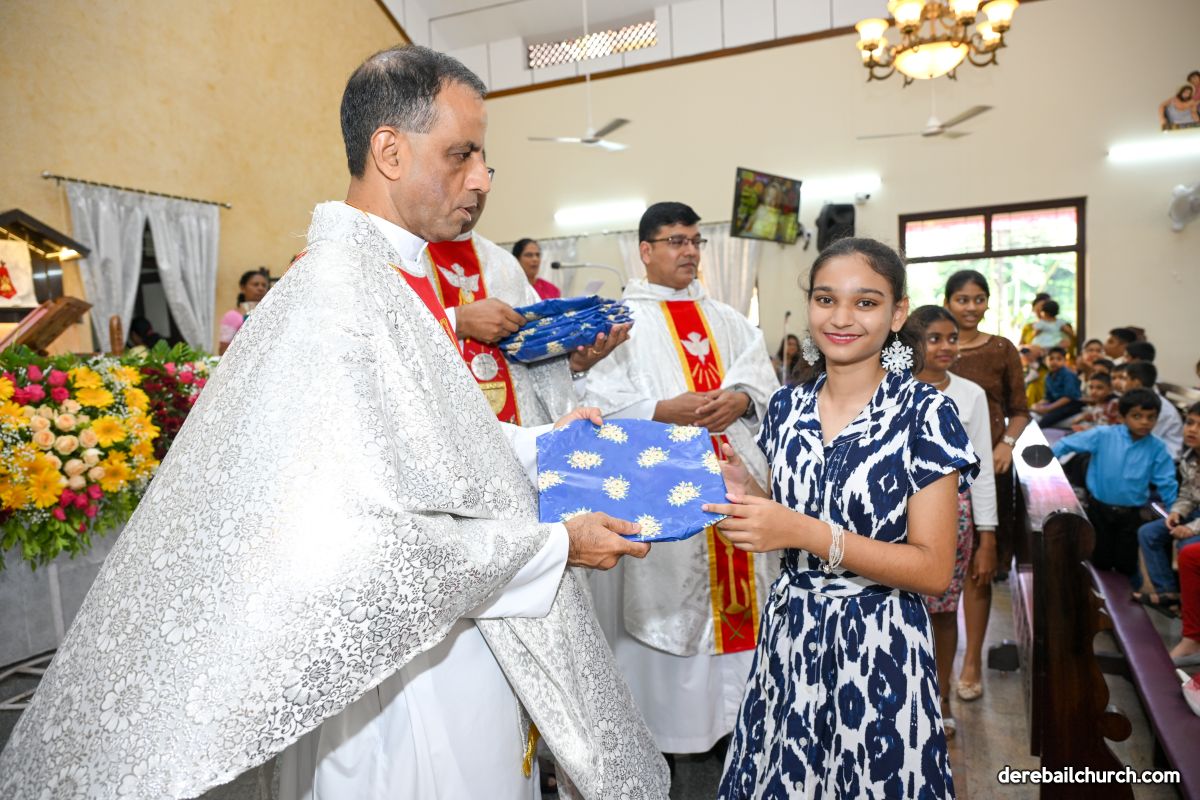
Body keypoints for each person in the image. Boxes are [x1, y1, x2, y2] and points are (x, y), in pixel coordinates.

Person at [0, 45, 670, 800]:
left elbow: (433, 448)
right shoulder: (335, 298)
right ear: (390, 151)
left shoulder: (384, 279)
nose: (483, 178)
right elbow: (355, 540)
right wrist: (556, 545)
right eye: (462, 154)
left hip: (447, 641)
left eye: (483, 158)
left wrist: (548, 443)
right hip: (406, 683)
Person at [710, 238, 977, 798]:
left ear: (897, 313)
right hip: (792, 634)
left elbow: (933, 570)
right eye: (826, 299)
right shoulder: (786, 407)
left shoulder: (925, 414)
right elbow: (796, 510)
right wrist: (747, 490)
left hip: (880, 640)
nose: (841, 318)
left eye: (866, 302)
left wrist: (803, 532)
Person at [583, 201, 780, 758]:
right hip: (665, 486)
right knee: (673, 611)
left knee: (742, 617)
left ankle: (742, 729)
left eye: (695, 241)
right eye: (676, 241)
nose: (689, 251)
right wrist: (661, 409)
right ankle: (674, 741)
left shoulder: (729, 318)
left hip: (732, 479)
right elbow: (593, 401)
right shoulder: (620, 322)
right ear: (645, 251)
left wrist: (740, 399)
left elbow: (761, 382)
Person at [424, 194, 629, 426]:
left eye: (487, 174)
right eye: (460, 164)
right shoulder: (404, 259)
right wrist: (456, 321)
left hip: (521, 433)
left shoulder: (504, 265)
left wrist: (574, 365)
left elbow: (536, 360)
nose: (480, 185)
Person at [906, 305, 997, 740]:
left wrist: (988, 536)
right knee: (901, 612)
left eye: (952, 338)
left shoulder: (970, 394)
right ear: (914, 344)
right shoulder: (894, 389)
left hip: (952, 515)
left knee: (943, 612)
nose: (946, 347)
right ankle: (904, 697)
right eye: (934, 338)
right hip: (897, 513)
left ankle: (940, 698)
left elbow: (982, 470)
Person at [943, 269, 1030, 702]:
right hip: (938, 479)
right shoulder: (932, 349)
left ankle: (972, 660)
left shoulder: (1000, 349)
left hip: (989, 469)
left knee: (980, 567)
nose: (971, 307)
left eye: (979, 299)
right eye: (963, 299)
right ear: (947, 302)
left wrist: (1005, 445)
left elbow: (1020, 409)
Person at [1052, 389, 1178, 577]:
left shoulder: (1157, 447)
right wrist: (1046, 460)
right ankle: (1097, 591)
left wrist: (1174, 510)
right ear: (1122, 417)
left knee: (1125, 563)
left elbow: (1166, 481)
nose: (1145, 422)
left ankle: (1128, 592)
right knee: (1099, 559)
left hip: (1132, 515)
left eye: (1151, 417)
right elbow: (1066, 444)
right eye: (1137, 416)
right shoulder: (1103, 435)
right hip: (1099, 510)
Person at [1134, 403, 1200, 614]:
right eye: (1190, 423)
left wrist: (1191, 528)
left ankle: (1191, 606)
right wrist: (1177, 512)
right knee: (1148, 533)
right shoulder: (1190, 457)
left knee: (1187, 545)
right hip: (1195, 513)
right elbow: (1188, 494)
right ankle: (1168, 592)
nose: (1192, 430)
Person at [1122, 361, 1183, 459]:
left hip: (1163, 457)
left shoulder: (1159, 407)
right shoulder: (1139, 400)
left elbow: (1143, 438)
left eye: (1125, 379)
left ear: (1136, 383)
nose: (1123, 384)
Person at [218, 268, 270, 354]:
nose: (260, 288)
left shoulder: (271, 314)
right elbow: (223, 350)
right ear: (243, 287)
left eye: (264, 285)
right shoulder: (232, 316)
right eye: (255, 284)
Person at [1033, 346, 1083, 428]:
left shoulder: (1068, 375)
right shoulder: (1048, 377)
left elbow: (1068, 398)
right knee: (1031, 413)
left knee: (1044, 422)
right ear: (1045, 361)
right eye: (1051, 359)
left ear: (1064, 361)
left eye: (1059, 359)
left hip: (1071, 404)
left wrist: (1049, 408)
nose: (1054, 362)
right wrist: (1036, 405)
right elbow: (1047, 398)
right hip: (1056, 403)